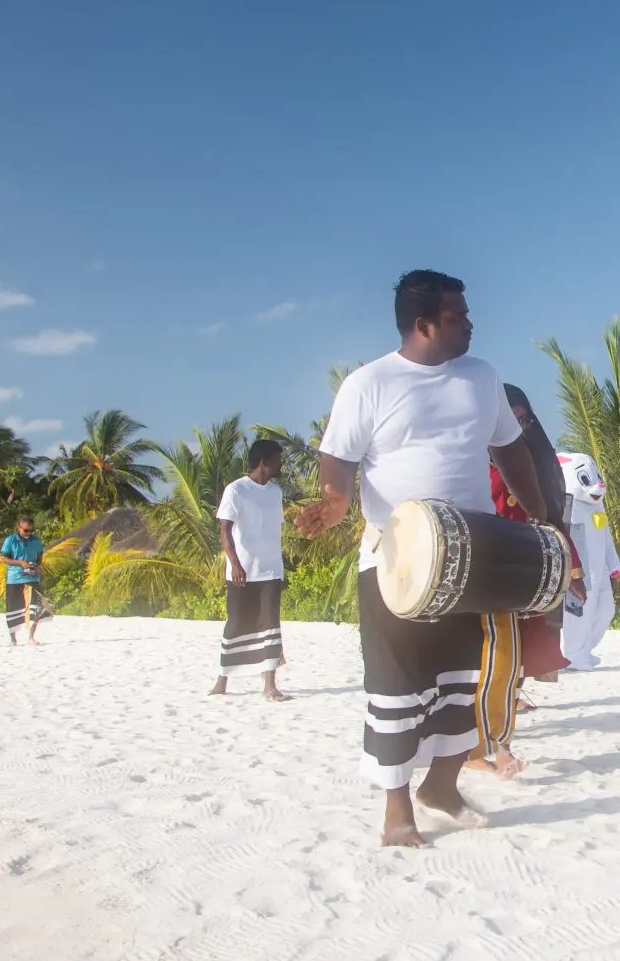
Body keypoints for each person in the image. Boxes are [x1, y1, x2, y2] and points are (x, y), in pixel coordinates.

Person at [297, 269, 549, 847]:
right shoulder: (369, 383)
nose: (471, 324)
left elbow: (509, 450)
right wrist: (334, 501)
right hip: (397, 559)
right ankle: (396, 809)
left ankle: (441, 788)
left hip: (472, 553)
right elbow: (338, 459)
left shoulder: (482, 376)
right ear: (423, 325)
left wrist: (541, 516)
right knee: (397, 685)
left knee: (464, 680)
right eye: (459, 316)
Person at [488, 383, 573, 691]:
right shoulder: (470, 458)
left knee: (522, 634)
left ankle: (511, 695)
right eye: (511, 420)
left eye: (524, 421)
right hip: (486, 557)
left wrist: (573, 569)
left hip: (527, 560)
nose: (518, 429)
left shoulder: (537, 458)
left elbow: (553, 516)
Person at [212, 439, 292, 701]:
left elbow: (272, 529)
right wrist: (235, 564)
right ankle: (222, 679)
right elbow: (225, 530)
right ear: (264, 462)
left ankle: (270, 685)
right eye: (277, 460)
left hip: (271, 570)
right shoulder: (236, 490)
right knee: (235, 623)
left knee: (271, 624)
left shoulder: (275, 492)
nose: (281, 465)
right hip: (242, 570)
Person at [555, 452, 619, 670]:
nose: (598, 486)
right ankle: (574, 654)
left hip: (600, 569)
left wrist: (613, 563)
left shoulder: (597, 505)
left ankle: (585, 649)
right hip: (580, 571)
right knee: (578, 612)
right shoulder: (567, 505)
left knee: (606, 610)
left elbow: (606, 534)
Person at [0, 516, 52, 646]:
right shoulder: (10, 540)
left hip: (32, 578)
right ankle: (13, 639)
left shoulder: (36, 541)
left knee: (35, 607)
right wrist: (20, 563)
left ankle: (31, 637)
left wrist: (35, 565)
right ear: (18, 527)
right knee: (13, 609)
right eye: (26, 530)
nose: (28, 533)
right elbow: (3, 558)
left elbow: (40, 557)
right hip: (14, 579)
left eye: (31, 531)